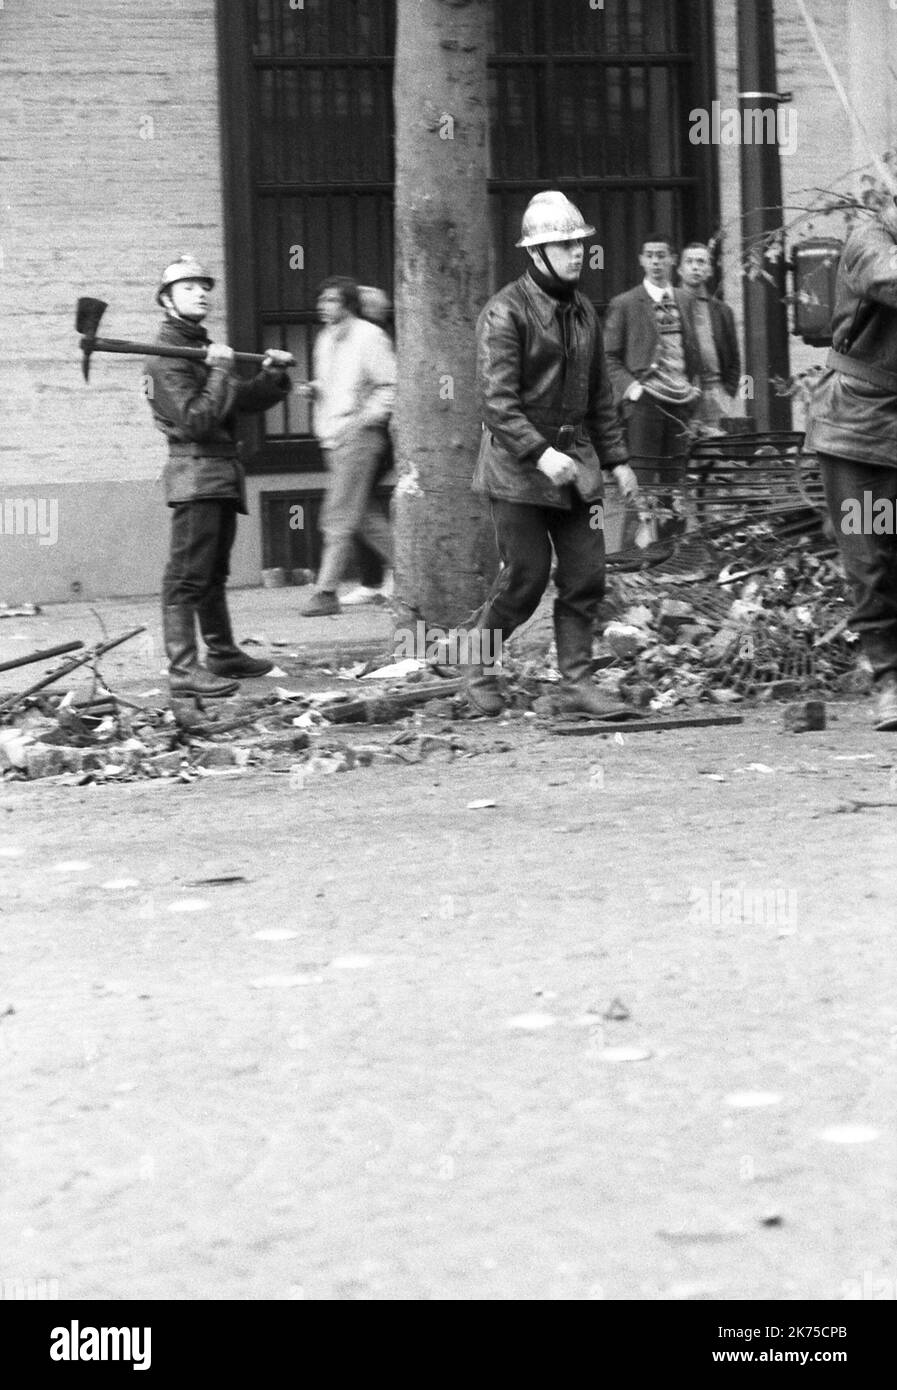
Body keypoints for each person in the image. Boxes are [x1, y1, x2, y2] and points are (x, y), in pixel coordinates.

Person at [466, 190, 639, 718]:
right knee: (525, 578)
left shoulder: (585, 309)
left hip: (577, 466)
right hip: (517, 470)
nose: (576, 253)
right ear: (536, 255)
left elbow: (600, 397)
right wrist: (540, 454)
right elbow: (497, 403)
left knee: (586, 575)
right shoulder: (504, 313)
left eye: (579, 243)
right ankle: (477, 669)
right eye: (562, 246)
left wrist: (618, 461)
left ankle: (576, 685)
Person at [146, 256, 294, 698]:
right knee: (186, 576)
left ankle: (223, 653)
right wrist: (219, 369)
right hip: (195, 474)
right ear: (167, 300)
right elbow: (196, 420)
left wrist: (272, 376)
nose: (201, 293)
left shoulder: (201, 350)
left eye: (203, 286)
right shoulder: (165, 359)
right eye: (188, 287)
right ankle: (183, 669)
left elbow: (240, 402)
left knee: (212, 573)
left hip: (220, 474)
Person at [804, 195, 897, 731]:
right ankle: (889, 679)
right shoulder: (868, 240)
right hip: (855, 430)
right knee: (868, 557)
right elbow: (890, 280)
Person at [299, 276, 396, 617]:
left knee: (338, 516)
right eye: (322, 300)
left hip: (359, 436)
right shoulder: (324, 339)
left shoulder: (370, 337)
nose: (324, 306)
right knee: (364, 517)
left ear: (348, 304)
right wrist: (315, 390)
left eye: (332, 300)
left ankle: (326, 591)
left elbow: (389, 385)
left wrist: (363, 419)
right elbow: (334, 384)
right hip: (333, 436)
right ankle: (417, 572)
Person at [604, 235, 702, 543]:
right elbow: (608, 356)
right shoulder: (625, 303)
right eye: (650, 256)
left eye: (662, 255)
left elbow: (690, 349)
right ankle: (633, 557)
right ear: (641, 260)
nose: (657, 262)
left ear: (673, 259)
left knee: (675, 483)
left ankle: (671, 557)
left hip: (680, 401)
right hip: (645, 403)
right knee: (642, 482)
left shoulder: (685, 300)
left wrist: (694, 386)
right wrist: (632, 389)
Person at [677, 241, 741, 433]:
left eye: (701, 262)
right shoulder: (668, 306)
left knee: (716, 453)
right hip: (682, 393)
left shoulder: (722, 311)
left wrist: (727, 393)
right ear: (680, 269)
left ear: (709, 270)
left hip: (715, 393)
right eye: (689, 262)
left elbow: (734, 359)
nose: (695, 267)